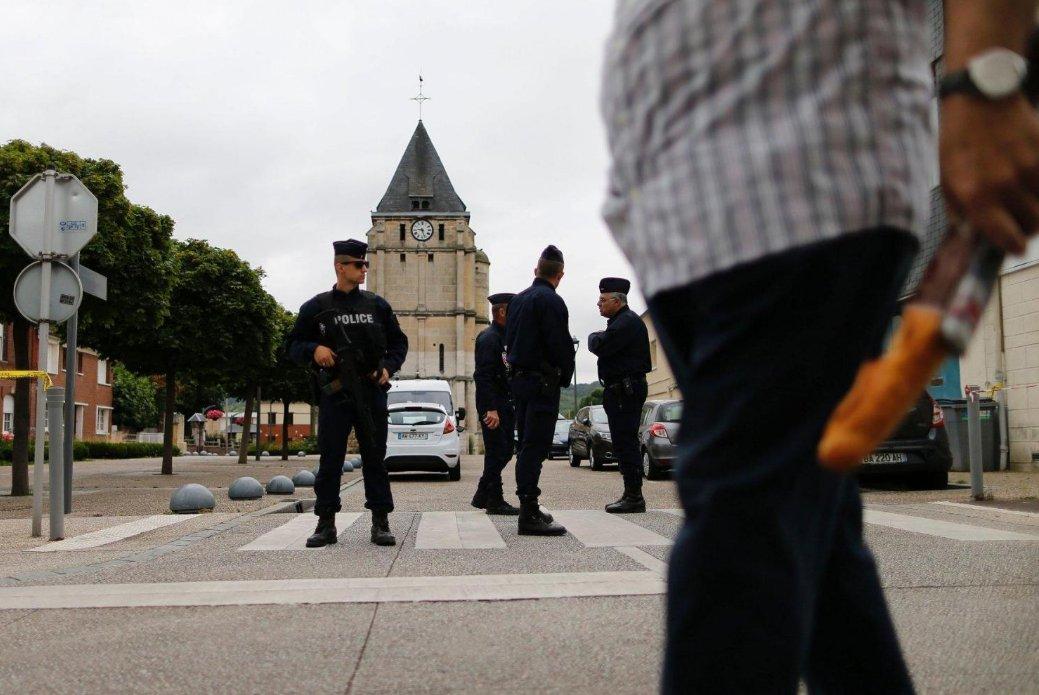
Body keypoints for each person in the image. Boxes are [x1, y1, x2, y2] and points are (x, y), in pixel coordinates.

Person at [601, 1, 1039, 692]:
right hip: (675, 205)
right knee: (814, 535)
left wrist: (985, 85)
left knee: (742, 514)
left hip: (799, 156)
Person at [286, 239, 408, 548]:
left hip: (371, 392)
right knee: (330, 461)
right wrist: (315, 349)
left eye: (365, 264)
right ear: (340, 266)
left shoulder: (377, 305)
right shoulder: (316, 307)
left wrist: (387, 368)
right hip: (336, 395)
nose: (364, 268)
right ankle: (325, 523)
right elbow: (293, 345)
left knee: (375, 460)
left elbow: (398, 344)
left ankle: (380, 521)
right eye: (358, 264)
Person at [505, 245, 575, 536]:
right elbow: (561, 347)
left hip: (520, 382)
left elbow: (509, 341)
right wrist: (564, 378)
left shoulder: (518, 301)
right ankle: (529, 513)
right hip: (541, 383)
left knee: (526, 446)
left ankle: (528, 506)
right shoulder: (552, 302)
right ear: (560, 274)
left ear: (537, 270)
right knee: (535, 448)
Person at [588, 277, 651, 514]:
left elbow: (600, 345)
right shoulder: (620, 321)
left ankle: (634, 497)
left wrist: (594, 337)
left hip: (625, 390)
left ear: (617, 300)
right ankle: (631, 494)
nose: (598, 304)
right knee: (624, 442)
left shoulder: (626, 323)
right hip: (621, 389)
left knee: (625, 442)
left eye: (603, 300)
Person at [471, 292, 521, 515]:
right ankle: (490, 497)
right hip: (493, 405)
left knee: (503, 451)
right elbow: (483, 376)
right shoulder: (489, 338)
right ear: (502, 312)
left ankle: (489, 496)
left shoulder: (506, 337)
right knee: (498, 451)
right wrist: (490, 408)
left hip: (505, 403)